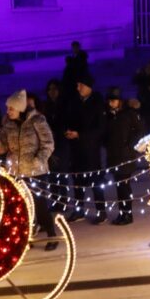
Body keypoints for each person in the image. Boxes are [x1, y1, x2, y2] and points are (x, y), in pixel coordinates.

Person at [0, 90, 58, 250]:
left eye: (10, 108)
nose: (7, 111)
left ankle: (52, 235)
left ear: (20, 108)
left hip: (36, 172)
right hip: (16, 172)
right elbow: (1, 149)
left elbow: (48, 143)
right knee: (22, 208)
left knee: (40, 205)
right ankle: (26, 238)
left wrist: (38, 160)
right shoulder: (8, 124)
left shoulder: (37, 120)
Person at [65, 73, 106, 223]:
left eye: (81, 85)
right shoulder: (75, 101)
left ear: (88, 87)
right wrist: (69, 131)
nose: (78, 88)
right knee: (77, 182)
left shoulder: (97, 102)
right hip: (76, 149)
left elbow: (100, 128)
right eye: (77, 85)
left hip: (91, 150)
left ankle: (101, 211)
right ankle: (79, 210)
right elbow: (70, 118)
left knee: (96, 182)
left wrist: (80, 135)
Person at [104, 86, 145, 225]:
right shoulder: (109, 115)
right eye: (110, 101)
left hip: (125, 156)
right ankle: (123, 213)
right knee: (120, 186)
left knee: (124, 186)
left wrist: (129, 145)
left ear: (120, 101)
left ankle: (127, 214)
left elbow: (140, 130)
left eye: (114, 101)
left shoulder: (128, 114)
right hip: (114, 156)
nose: (111, 103)